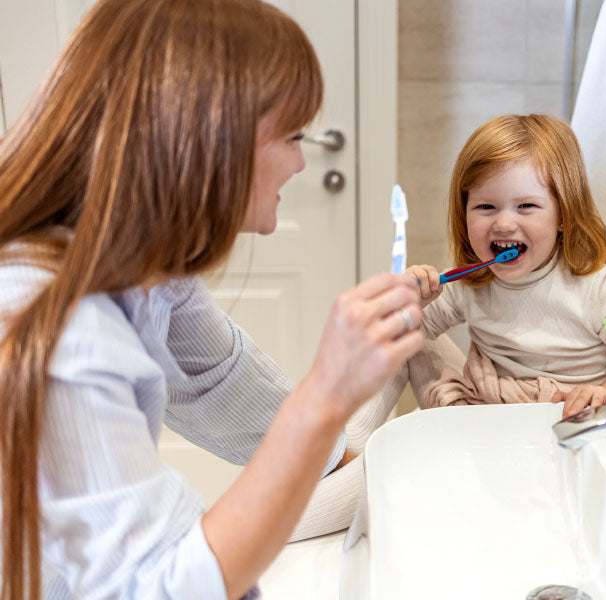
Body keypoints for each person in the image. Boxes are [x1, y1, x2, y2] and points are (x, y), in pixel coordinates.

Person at [0, 1, 424, 598]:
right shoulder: (67, 333)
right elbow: (164, 587)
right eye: (293, 136)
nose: (304, 161)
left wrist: (335, 455)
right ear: (210, 141)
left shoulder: (146, 270)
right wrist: (326, 394)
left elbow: (219, 379)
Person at [405, 114, 606, 418]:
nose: (502, 223)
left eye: (526, 206)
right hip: (492, 417)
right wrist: (413, 304)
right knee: (406, 340)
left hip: (569, 425)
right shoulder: (470, 280)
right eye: (485, 207)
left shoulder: (602, 291)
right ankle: (347, 446)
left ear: (564, 215)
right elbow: (400, 337)